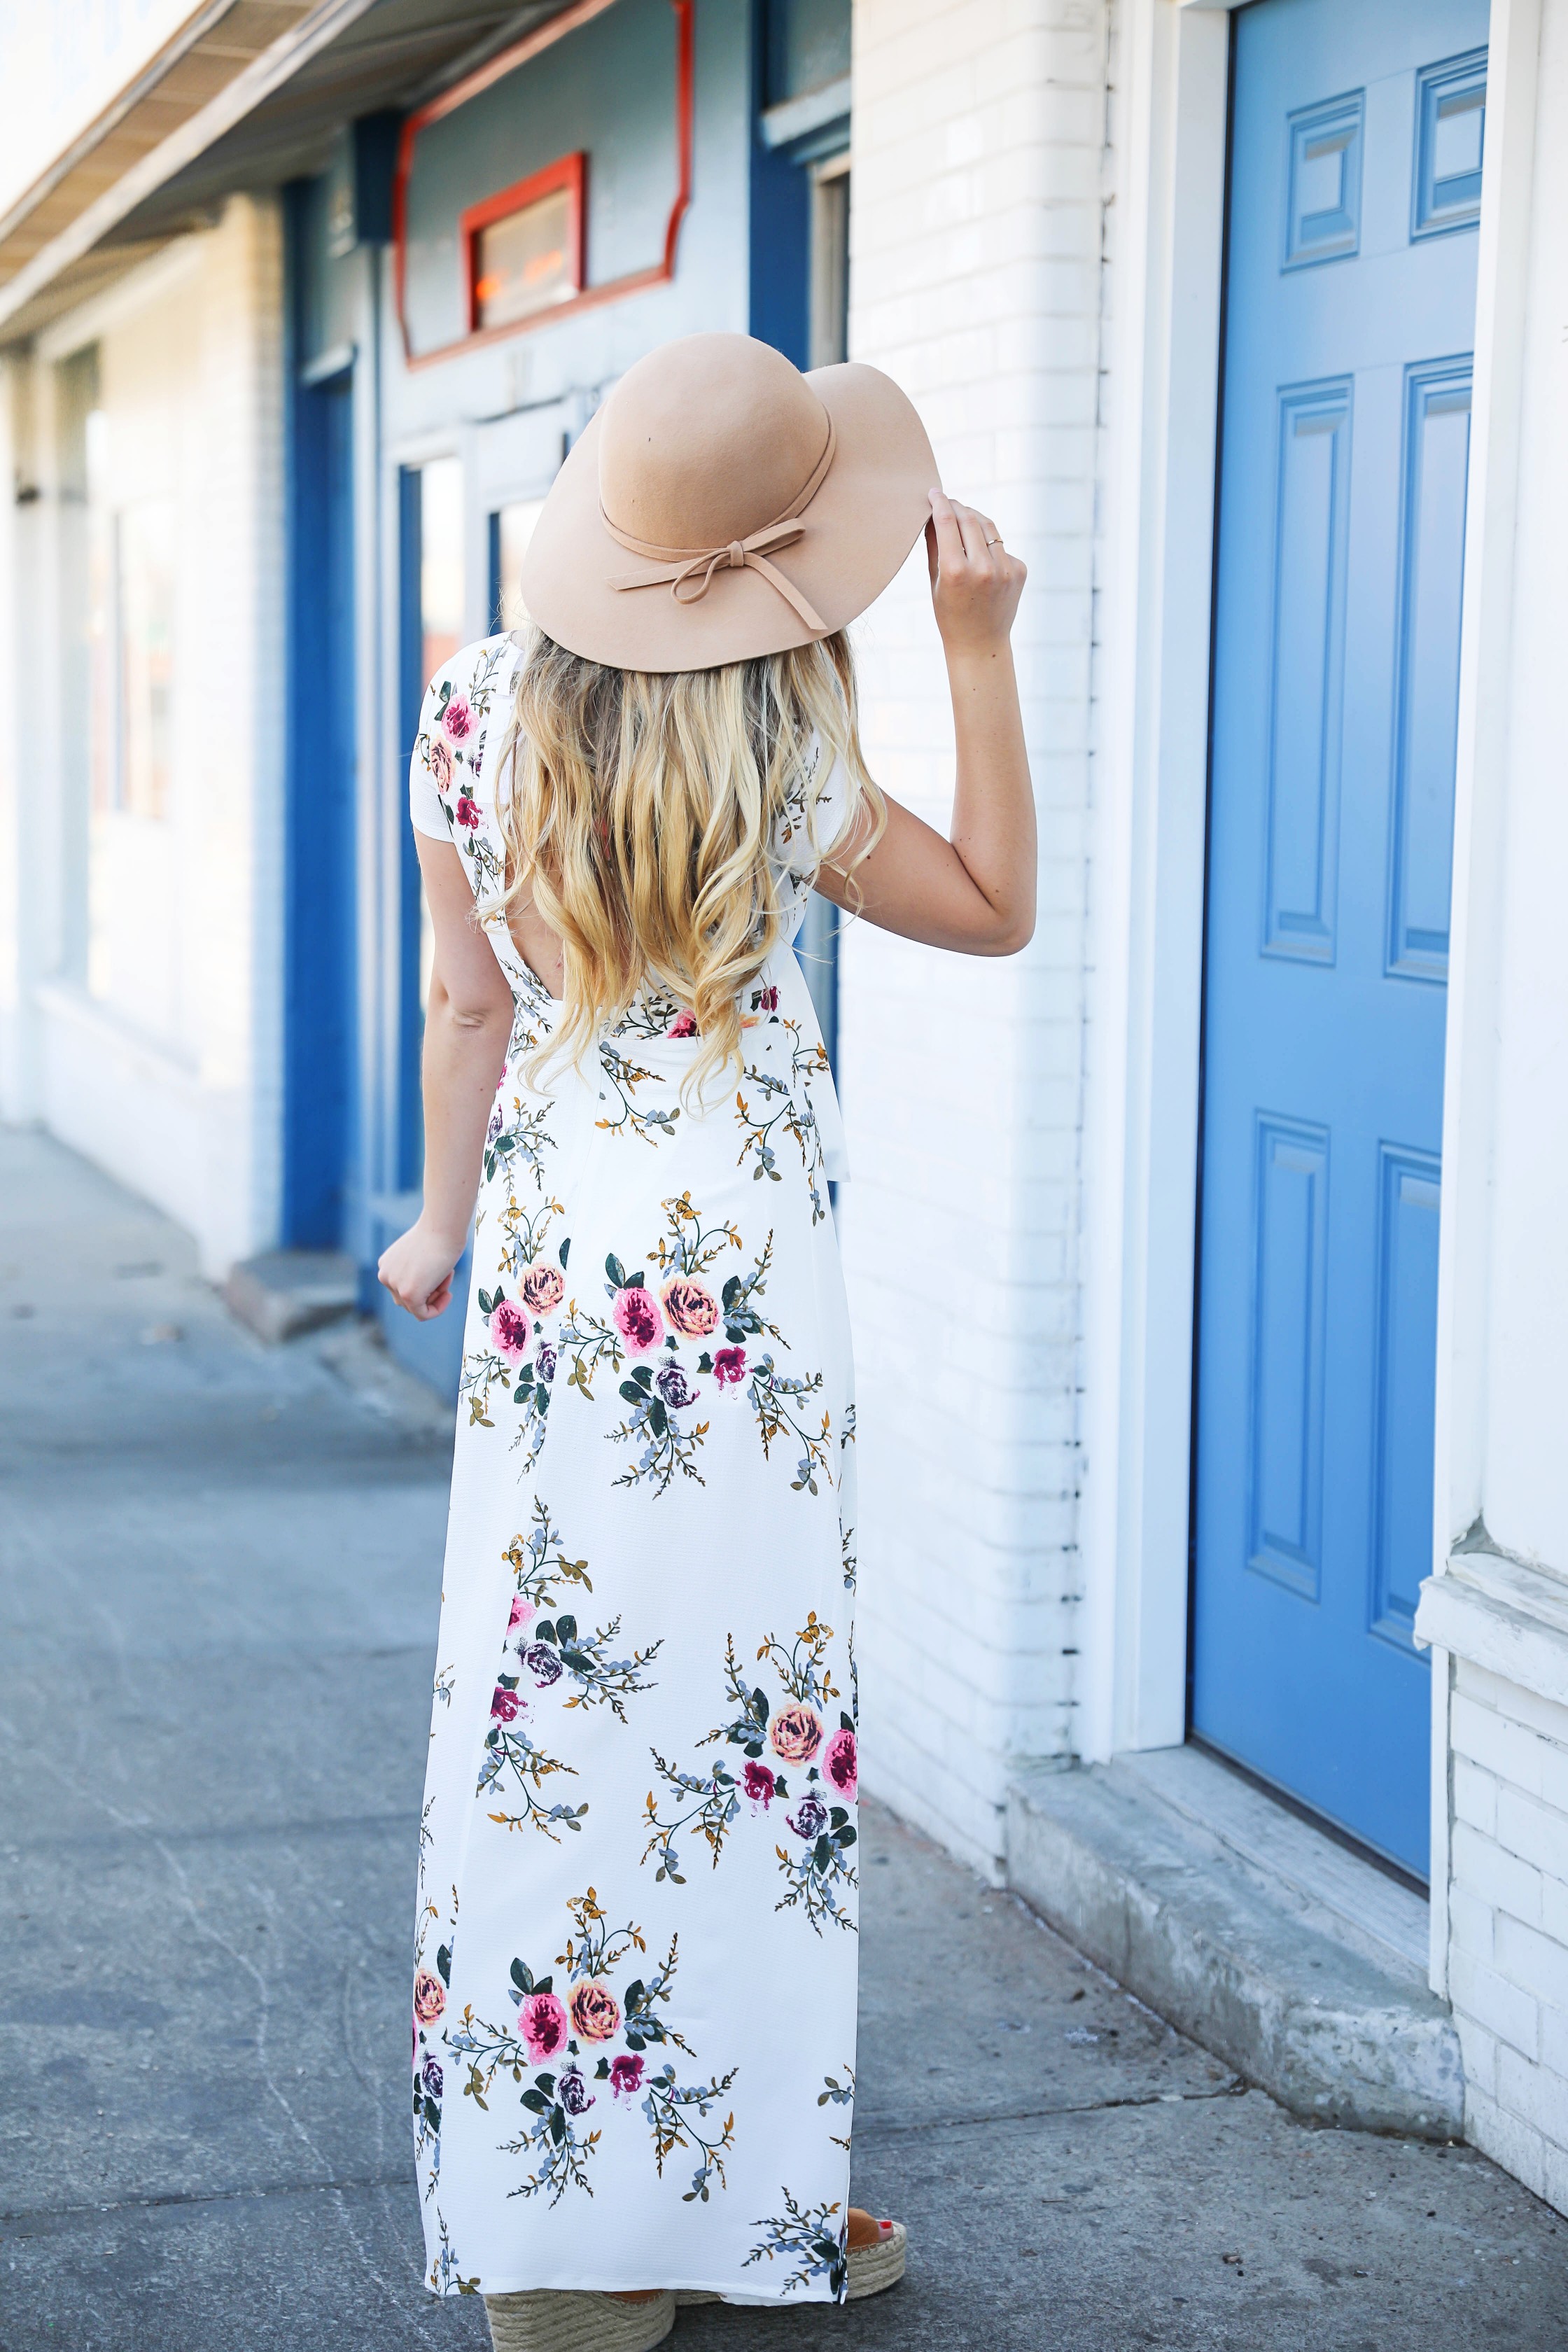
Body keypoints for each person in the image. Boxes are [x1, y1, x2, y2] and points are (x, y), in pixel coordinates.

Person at [380, 332, 1032, 2352]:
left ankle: (553, 2226)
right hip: (743, 1295)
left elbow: (468, 1007)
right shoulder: (790, 741)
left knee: (545, 1710)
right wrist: (978, 641)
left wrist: (436, 1218)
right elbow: (998, 904)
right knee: (740, 1729)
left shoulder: (471, 713)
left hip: (567, 1284)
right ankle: (727, 2184)